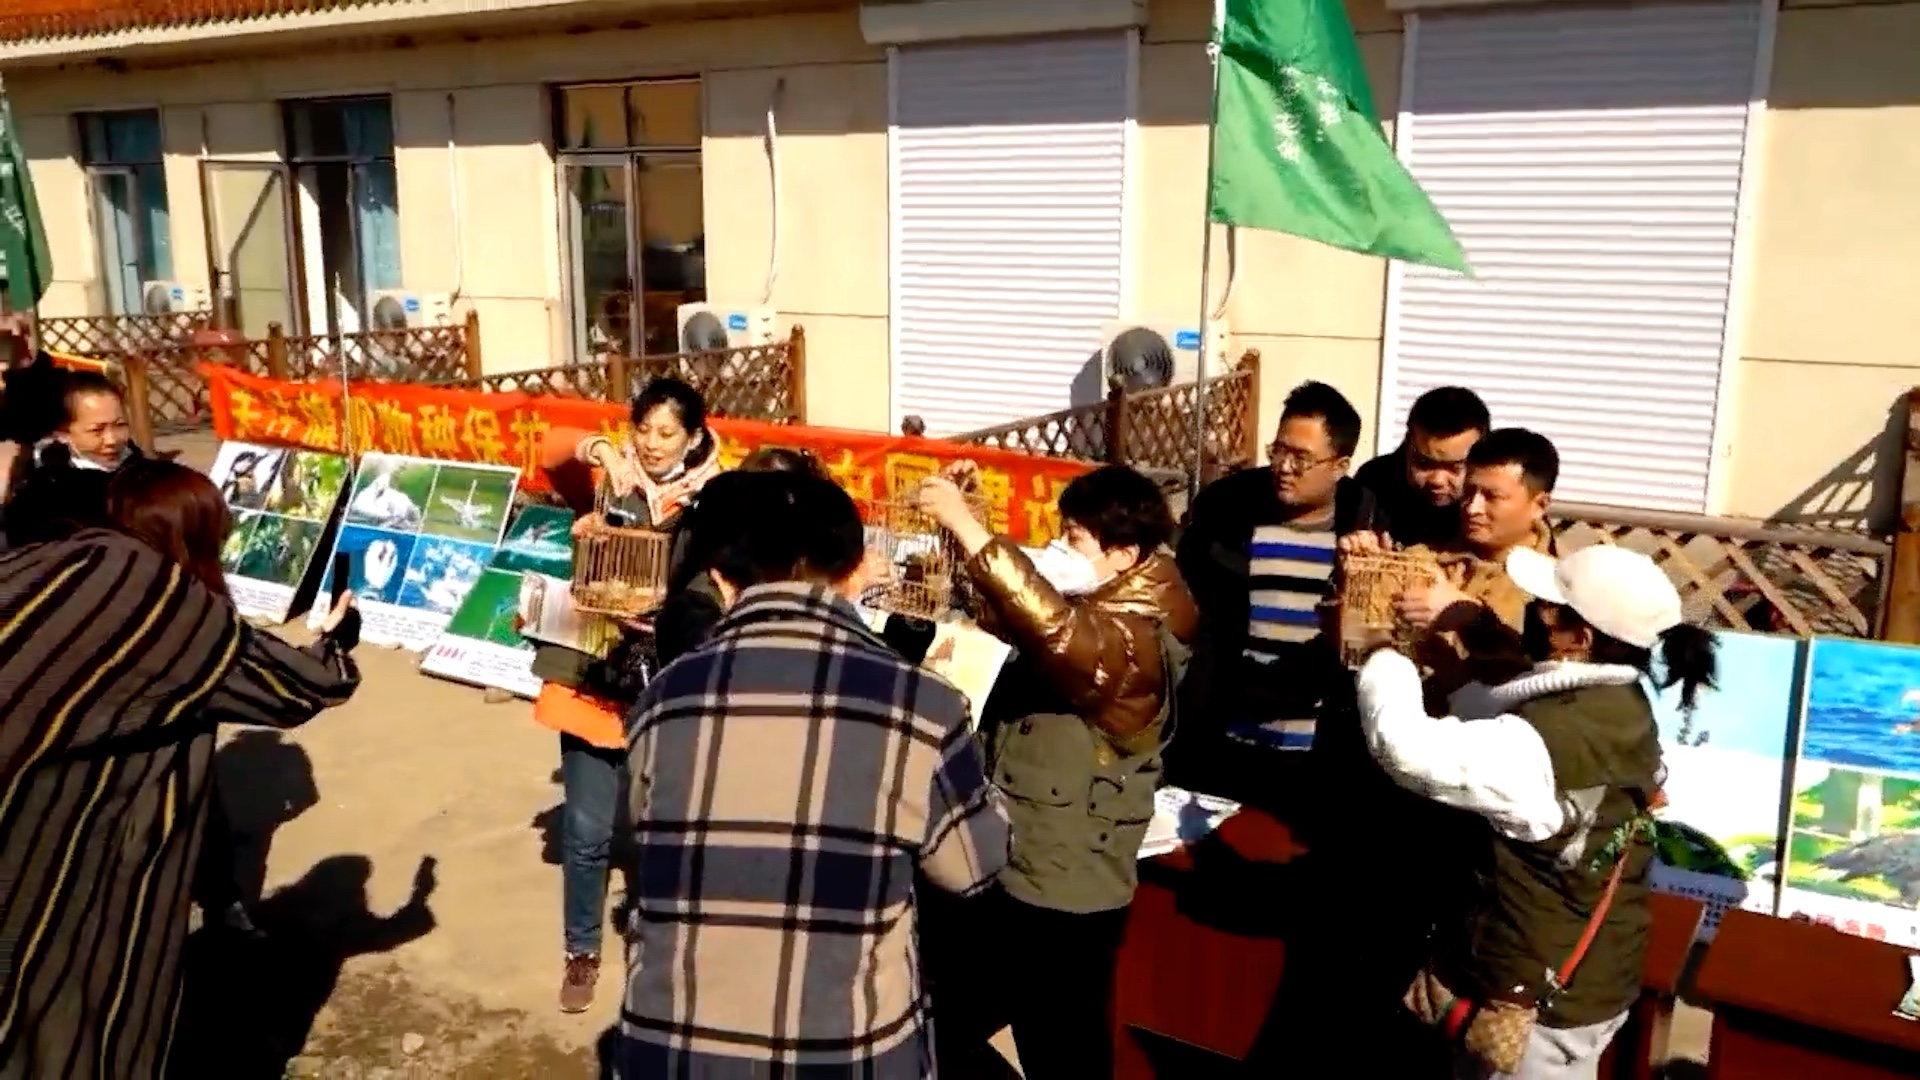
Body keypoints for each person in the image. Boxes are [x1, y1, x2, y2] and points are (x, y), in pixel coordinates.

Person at [615, 469, 1010, 1078]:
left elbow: (642, 851)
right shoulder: (922, 705)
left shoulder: (663, 699)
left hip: (672, 1051)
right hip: (846, 1053)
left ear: (721, 579)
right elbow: (972, 868)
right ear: (856, 571)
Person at [0, 463, 361, 1077]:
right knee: (73, 995)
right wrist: (335, 643)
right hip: (58, 867)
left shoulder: (48, 566)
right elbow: (297, 688)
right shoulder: (162, 604)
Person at [1355, 543, 1718, 1079]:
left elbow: (1404, 748)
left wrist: (1386, 653)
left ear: (1582, 639)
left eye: (1551, 607)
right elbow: (1506, 716)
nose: (1537, 612)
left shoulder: (1558, 739)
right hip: (1590, 969)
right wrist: (1462, 650)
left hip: (1543, 1007)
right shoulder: (1618, 705)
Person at [915, 462, 1197, 1080]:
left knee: (1057, 1041)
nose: (1058, 550)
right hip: (1024, 859)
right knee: (984, 1024)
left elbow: (1059, 633)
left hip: (1068, 884)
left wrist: (967, 528)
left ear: (1124, 554)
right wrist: (975, 526)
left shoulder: (1135, 636)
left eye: (1075, 539)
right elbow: (1013, 613)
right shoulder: (1095, 602)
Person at [532, 375, 722, 1013]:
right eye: (643, 430)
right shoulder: (609, 480)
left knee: (667, 827)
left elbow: (728, 585)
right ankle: (581, 951)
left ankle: (663, 945)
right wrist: (599, 451)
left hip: (668, 684)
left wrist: (674, 614)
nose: (652, 445)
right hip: (592, 673)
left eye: (668, 433)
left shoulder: (713, 500)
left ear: (694, 438)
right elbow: (549, 450)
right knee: (586, 829)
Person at [1171, 380, 1367, 799]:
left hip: (1318, 756)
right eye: (1279, 451)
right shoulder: (1226, 519)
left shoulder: (1365, 533)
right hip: (1223, 743)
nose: (1284, 467)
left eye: (1302, 457)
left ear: (1340, 464)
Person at [1369, 427, 1563, 705]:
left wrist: (1471, 621)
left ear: (1539, 505)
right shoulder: (1420, 560)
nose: (1473, 508)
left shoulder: (1560, 590)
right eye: (1469, 491)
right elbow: (1360, 639)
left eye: (1492, 497)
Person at [3, 368, 143, 547]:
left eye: (119, 425)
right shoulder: (44, 493)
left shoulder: (141, 468)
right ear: (62, 433)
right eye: (96, 430)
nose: (112, 440)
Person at [1352, 385, 1490, 549]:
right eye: (1424, 464)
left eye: (1455, 468)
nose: (1438, 480)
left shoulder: (1496, 496)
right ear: (1408, 442)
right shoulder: (1375, 482)